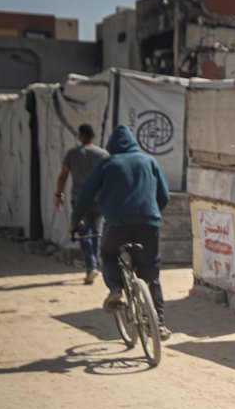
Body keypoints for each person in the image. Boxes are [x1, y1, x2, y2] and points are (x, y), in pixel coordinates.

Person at [70, 124, 172, 340]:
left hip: (118, 223)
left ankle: (116, 288)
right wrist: (151, 213)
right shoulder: (149, 161)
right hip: (149, 224)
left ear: (111, 146)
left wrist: (75, 219)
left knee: (108, 255)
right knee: (150, 271)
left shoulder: (108, 163)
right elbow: (164, 195)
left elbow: (86, 194)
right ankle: (159, 323)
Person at [56, 123, 109, 284]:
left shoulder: (73, 153)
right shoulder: (103, 154)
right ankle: (96, 264)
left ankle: (91, 265)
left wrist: (59, 194)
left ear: (80, 136)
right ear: (93, 137)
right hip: (99, 200)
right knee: (96, 231)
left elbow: (63, 175)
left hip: (79, 199)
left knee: (83, 232)